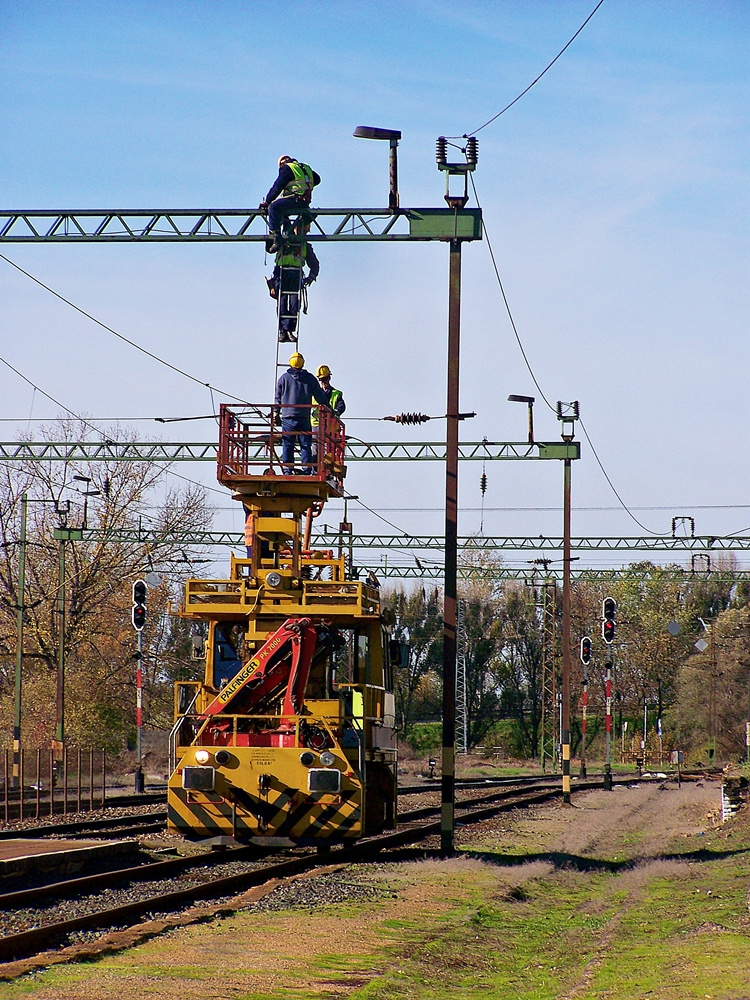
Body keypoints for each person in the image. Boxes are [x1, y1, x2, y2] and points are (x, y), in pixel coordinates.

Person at [274, 352, 330, 474]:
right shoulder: (310, 378)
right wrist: (328, 409)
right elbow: (320, 397)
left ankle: (288, 470)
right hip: (304, 417)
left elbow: (277, 397)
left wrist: (275, 413)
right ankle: (307, 469)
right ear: (303, 363)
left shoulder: (283, 378)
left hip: (288, 418)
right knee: (305, 445)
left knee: (287, 444)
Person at [260, 155, 321, 252]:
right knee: (283, 214)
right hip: (305, 202)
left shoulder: (287, 168)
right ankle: (295, 226)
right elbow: (317, 179)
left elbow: (277, 186)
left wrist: (267, 202)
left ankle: (276, 236)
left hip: (295, 200)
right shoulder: (303, 167)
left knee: (273, 208)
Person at [266, 240, 320, 342]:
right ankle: (284, 330)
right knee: (282, 303)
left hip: (295, 275)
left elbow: (314, 264)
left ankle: (289, 330)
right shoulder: (280, 241)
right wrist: (270, 237)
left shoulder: (304, 246)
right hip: (281, 274)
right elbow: (269, 249)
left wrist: (311, 277)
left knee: (294, 303)